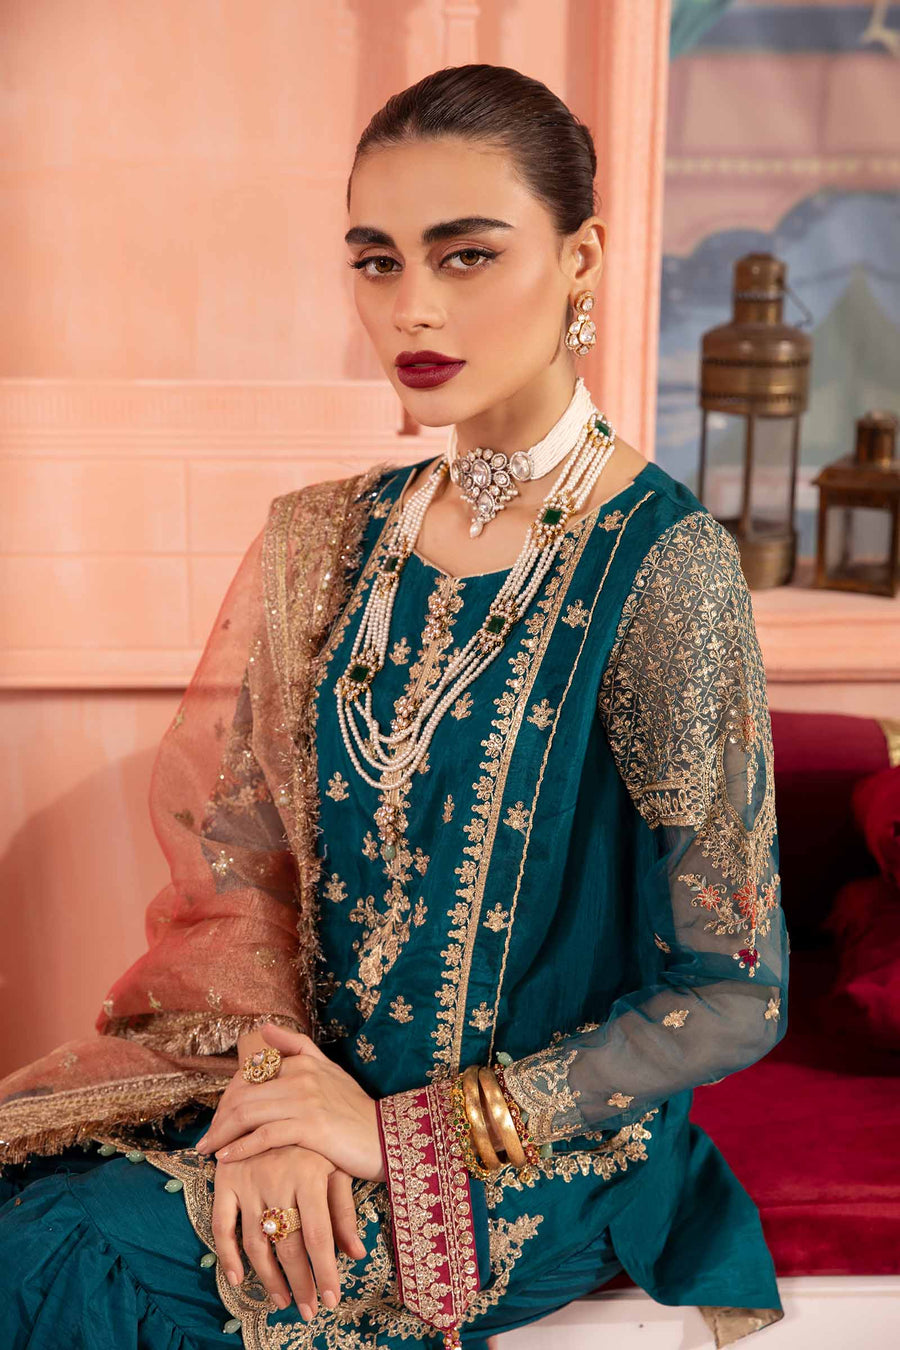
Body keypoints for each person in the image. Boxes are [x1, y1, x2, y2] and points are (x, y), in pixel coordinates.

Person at [0, 63, 789, 1350]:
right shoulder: (325, 541)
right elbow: (238, 878)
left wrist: (395, 1131)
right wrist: (278, 1100)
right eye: (377, 261)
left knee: (64, 1255)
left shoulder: (660, 568)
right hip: (300, 1088)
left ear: (581, 260)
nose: (412, 305)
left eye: (467, 255)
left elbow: (734, 991)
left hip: (528, 1154)